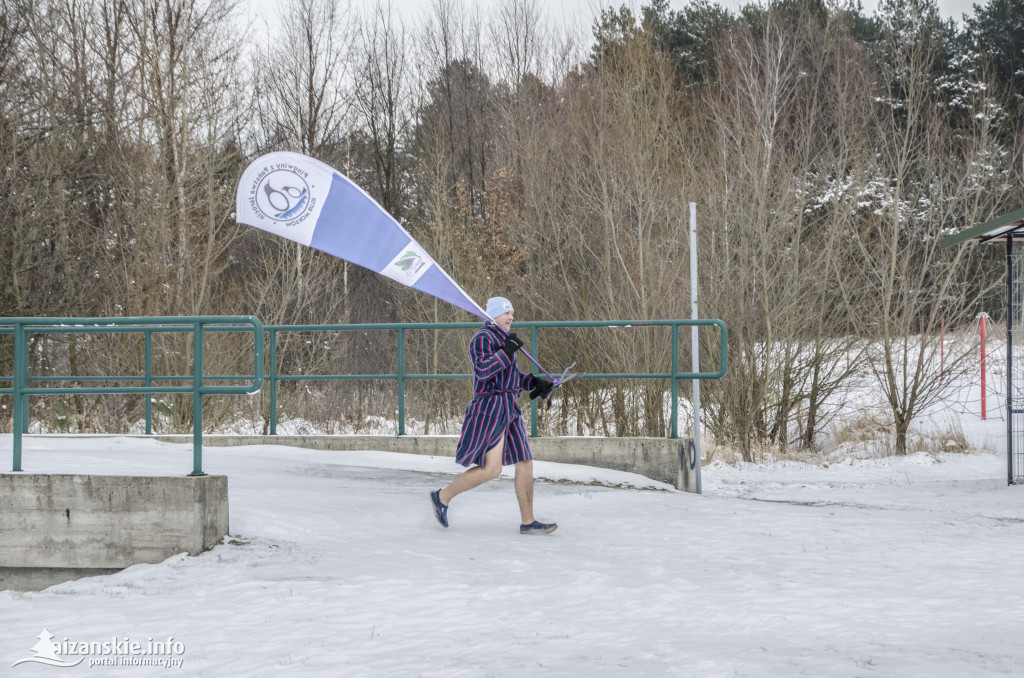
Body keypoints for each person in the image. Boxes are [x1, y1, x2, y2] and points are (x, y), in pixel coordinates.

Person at [430, 297, 558, 534]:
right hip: (491, 408)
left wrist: (534, 383)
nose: (511, 317)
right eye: (506, 313)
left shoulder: (505, 340)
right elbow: (482, 371)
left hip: (509, 407)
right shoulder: (483, 338)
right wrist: (506, 352)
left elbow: (511, 377)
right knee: (492, 470)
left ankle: (528, 522)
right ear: (493, 316)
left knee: (525, 462)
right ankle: (442, 496)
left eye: (512, 314)